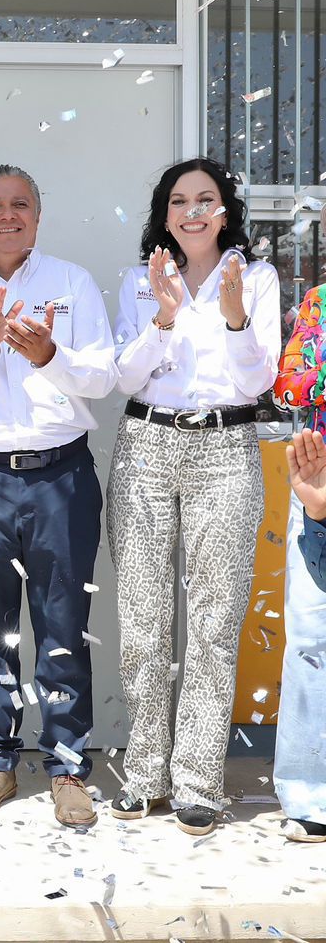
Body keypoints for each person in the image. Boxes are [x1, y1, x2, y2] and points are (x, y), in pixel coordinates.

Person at [0, 165, 117, 827]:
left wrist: (47, 356)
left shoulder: (72, 283)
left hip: (61, 475)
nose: (8, 216)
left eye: (20, 205)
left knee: (62, 625)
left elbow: (101, 377)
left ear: (39, 213)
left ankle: (67, 769)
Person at [106, 157, 279, 836]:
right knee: (143, 619)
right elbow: (125, 373)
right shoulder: (140, 280)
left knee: (213, 618)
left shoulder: (256, 280)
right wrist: (165, 320)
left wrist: (234, 319)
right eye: (179, 200)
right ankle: (145, 772)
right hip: (146, 445)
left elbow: (259, 377)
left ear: (225, 211)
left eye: (205, 199)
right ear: (166, 212)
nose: (192, 210)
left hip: (227, 449)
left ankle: (199, 781)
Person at [272, 309, 326, 843]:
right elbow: (288, 389)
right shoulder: (317, 302)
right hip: (319, 479)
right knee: (312, 641)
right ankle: (310, 796)